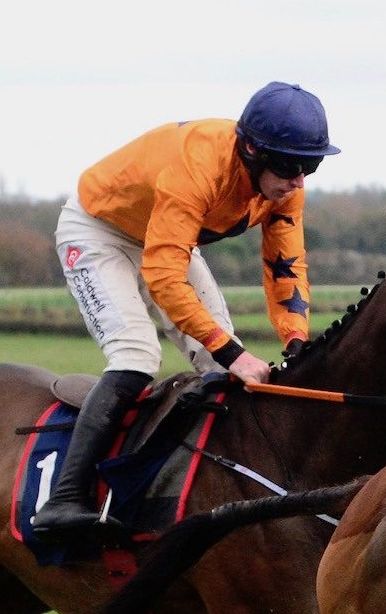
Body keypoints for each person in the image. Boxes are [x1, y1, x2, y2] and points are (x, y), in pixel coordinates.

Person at [31, 82, 338, 546]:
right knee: (136, 354)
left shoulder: (285, 188)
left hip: (167, 239)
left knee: (218, 364)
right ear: (252, 150)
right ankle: (65, 499)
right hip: (99, 230)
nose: (299, 182)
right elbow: (163, 274)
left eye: (310, 167)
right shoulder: (198, 165)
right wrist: (234, 353)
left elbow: (286, 267)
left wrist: (296, 341)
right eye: (292, 167)